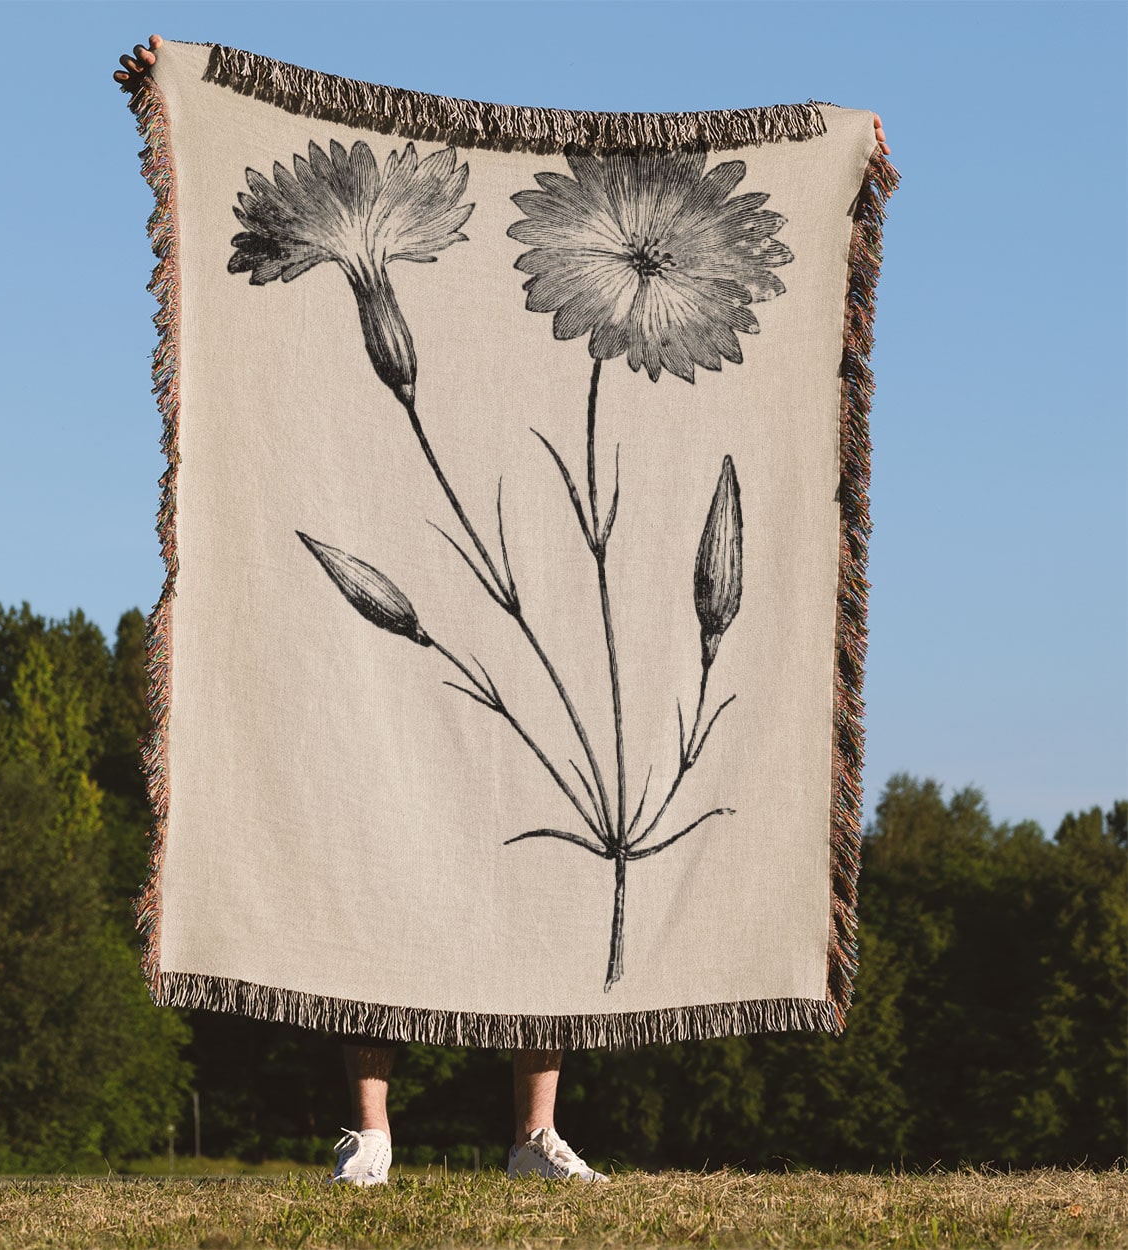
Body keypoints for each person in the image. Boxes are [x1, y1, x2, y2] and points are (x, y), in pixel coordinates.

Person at [112, 35, 890, 1187]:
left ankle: (533, 1132)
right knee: (370, 847)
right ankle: (370, 1130)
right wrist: (176, 74)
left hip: (525, 602)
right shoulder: (417, 392)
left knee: (556, 886)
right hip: (413, 583)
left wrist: (838, 154)